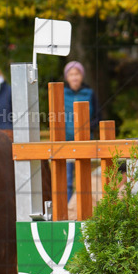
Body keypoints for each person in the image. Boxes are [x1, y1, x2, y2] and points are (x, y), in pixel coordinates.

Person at [61, 60, 100, 199]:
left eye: (77, 74)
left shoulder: (89, 93)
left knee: (83, 178)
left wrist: (87, 127)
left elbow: (97, 116)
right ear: (67, 77)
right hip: (65, 142)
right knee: (66, 180)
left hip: (84, 141)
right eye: (71, 74)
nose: (74, 77)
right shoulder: (61, 93)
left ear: (82, 76)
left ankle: (84, 210)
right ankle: (67, 211)